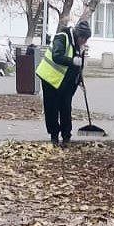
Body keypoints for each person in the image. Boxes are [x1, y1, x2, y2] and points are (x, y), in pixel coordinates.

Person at [36, 18, 91, 147]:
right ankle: (54, 136)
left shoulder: (80, 46)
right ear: (78, 35)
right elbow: (56, 56)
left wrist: (79, 80)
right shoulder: (62, 37)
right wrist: (72, 61)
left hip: (66, 83)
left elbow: (79, 65)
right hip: (50, 79)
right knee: (52, 109)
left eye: (86, 39)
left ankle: (66, 136)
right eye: (83, 38)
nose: (84, 41)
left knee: (66, 108)